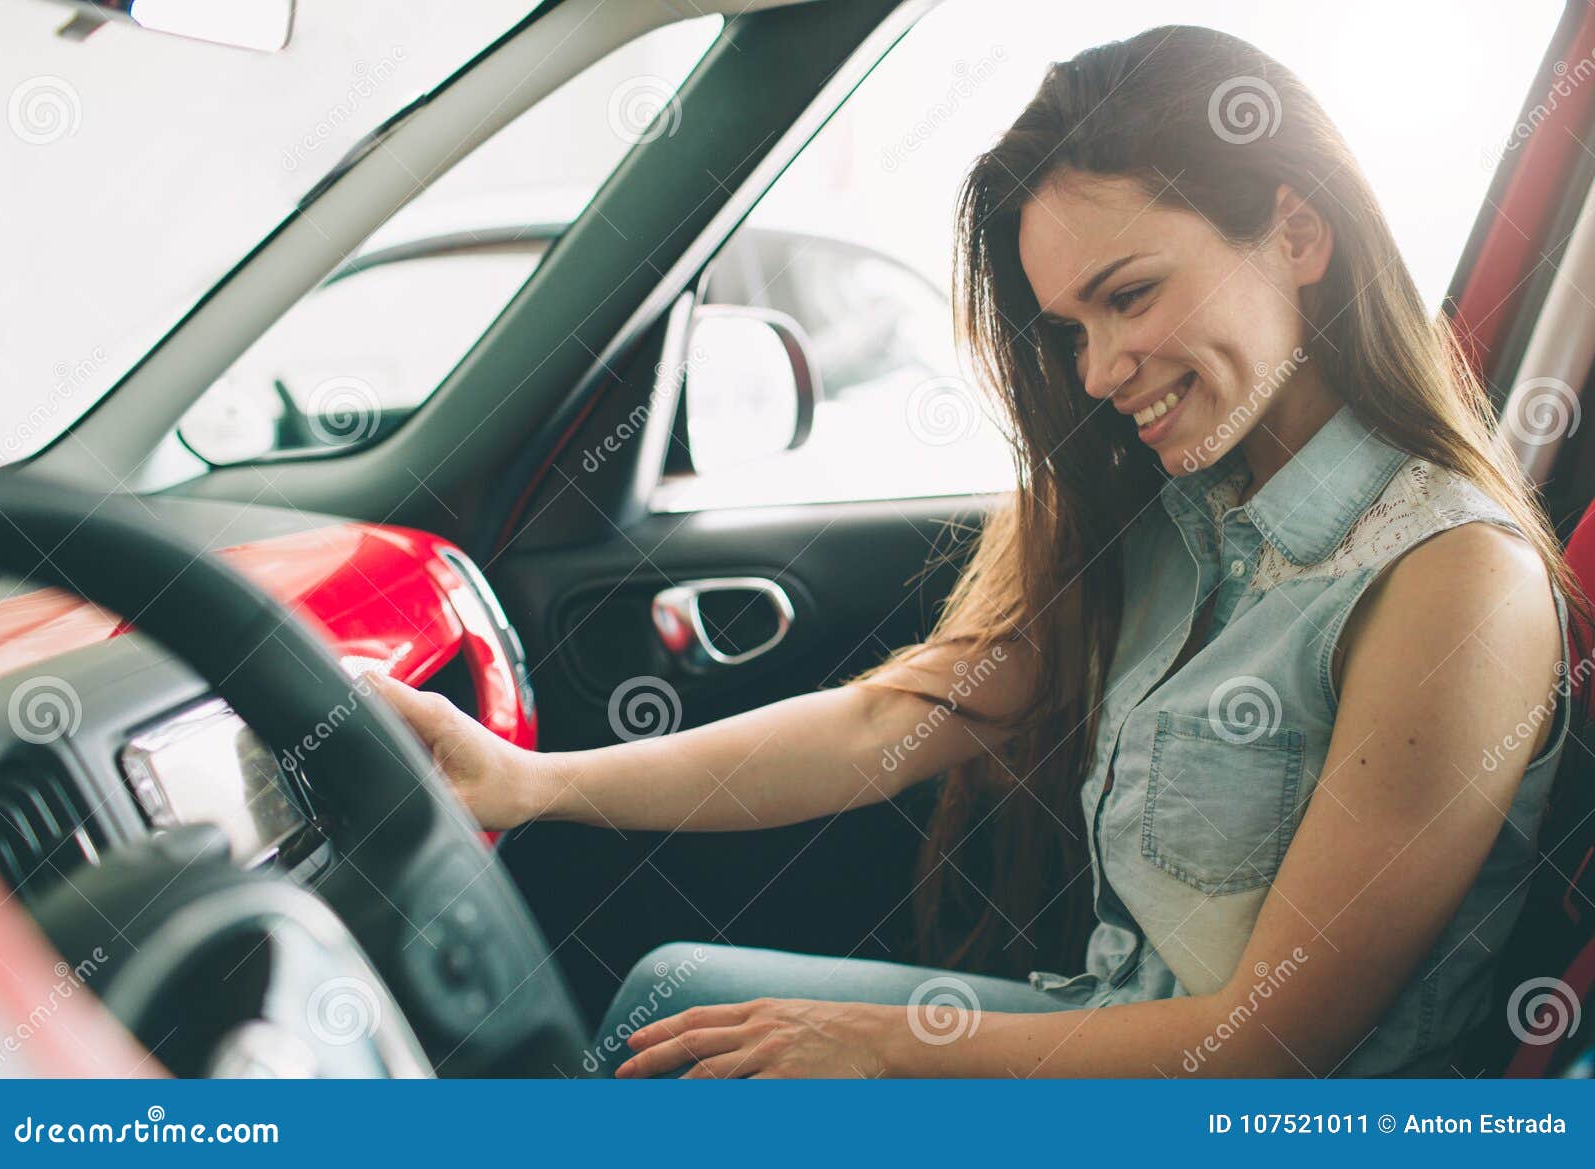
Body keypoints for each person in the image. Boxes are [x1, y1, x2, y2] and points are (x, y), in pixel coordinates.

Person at [371, 24, 1583, 1077]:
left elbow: (1270, 1050)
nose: (1101, 374)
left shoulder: (1455, 582)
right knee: (671, 1001)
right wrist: (531, 782)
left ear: (1298, 232)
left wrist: (886, 1044)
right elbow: (876, 727)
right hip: (1113, 1030)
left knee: (684, 1030)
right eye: (1070, 329)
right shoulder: (1181, 519)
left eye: (1131, 294)